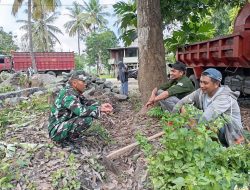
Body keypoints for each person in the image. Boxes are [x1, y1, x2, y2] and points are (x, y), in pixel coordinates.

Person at [173, 68, 244, 147]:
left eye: (205, 83)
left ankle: (213, 146)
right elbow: (181, 102)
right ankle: (200, 141)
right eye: (200, 82)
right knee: (184, 108)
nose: (201, 85)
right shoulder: (201, 92)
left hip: (231, 132)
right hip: (211, 124)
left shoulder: (224, 97)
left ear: (216, 84)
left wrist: (192, 129)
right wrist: (172, 120)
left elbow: (207, 118)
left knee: (213, 122)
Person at [48, 73, 113, 143]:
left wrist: (101, 106)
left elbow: (86, 102)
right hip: (56, 132)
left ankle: (70, 136)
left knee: (86, 115)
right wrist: (99, 109)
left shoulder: (73, 91)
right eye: (83, 82)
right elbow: (81, 111)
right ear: (74, 83)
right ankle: (69, 138)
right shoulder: (67, 94)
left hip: (62, 126)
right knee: (86, 119)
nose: (85, 84)